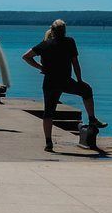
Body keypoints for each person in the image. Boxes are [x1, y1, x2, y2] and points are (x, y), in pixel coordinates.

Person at [23, 19, 106, 152]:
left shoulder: (45, 44)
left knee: (48, 112)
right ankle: (91, 118)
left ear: (52, 30)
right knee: (86, 90)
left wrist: (40, 67)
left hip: (50, 82)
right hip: (65, 81)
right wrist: (79, 80)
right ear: (64, 31)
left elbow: (26, 56)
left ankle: (48, 142)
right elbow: (75, 63)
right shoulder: (69, 42)